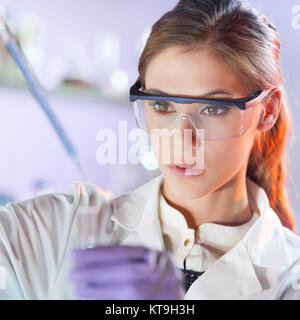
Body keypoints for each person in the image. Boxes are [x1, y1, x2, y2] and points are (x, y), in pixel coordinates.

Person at [1, 0, 300, 300]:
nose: (182, 141)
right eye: (161, 105)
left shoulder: (290, 277)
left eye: (212, 109)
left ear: (267, 110)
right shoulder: (63, 227)